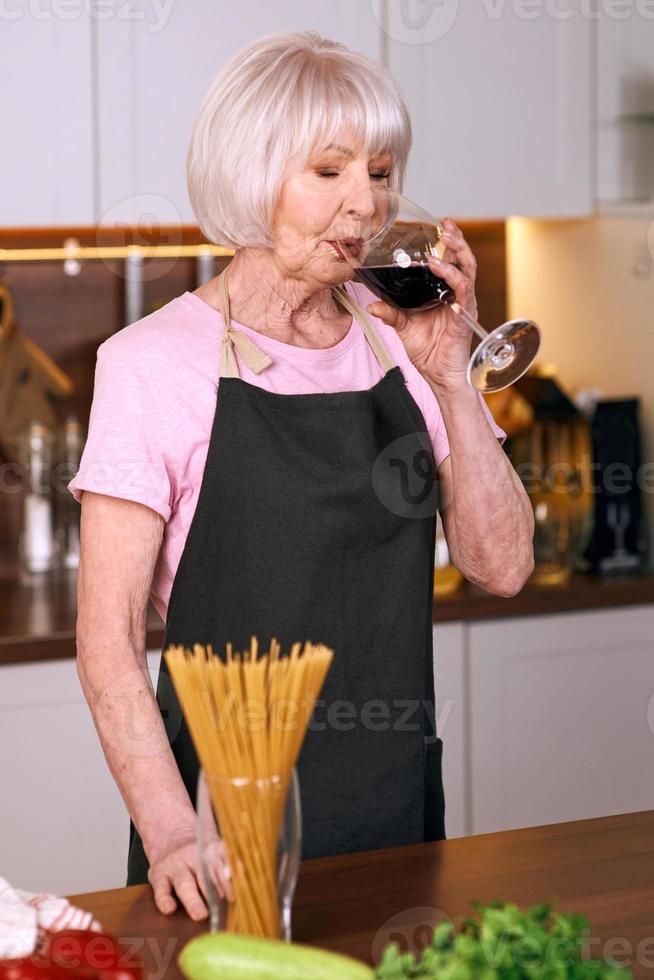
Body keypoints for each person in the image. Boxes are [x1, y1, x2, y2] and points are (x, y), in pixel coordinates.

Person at [69, 30, 534, 922]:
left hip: (395, 805)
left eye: (382, 171)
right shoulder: (152, 363)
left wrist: (452, 379)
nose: (365, 204)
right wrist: (169, 832)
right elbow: (107, 645)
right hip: (223, 831)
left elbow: (502, 565)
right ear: (254, 175)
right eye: (329, 172)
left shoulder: (401, 338)